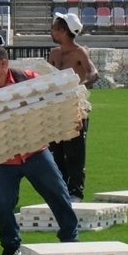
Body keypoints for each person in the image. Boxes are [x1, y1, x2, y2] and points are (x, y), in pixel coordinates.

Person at [0, 44, 79, 255]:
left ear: (3, 63)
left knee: (58, 193)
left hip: (35, 152)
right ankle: (11, 245)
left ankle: (70, 237)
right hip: (2, 157)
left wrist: (71, 118)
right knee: (1, 203)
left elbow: (54, 101)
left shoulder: (28, 79)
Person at [47, 12, 98, 202]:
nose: (52, 32)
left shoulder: (79, 52)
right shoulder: (54, 54)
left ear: (62, 30)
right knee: (56, 152)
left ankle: (75, 192)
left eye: (54, 28)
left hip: (75, 107)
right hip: (56, 108)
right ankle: (60, 191)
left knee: (74, 152)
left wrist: (79, 87)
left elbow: (93, 73)